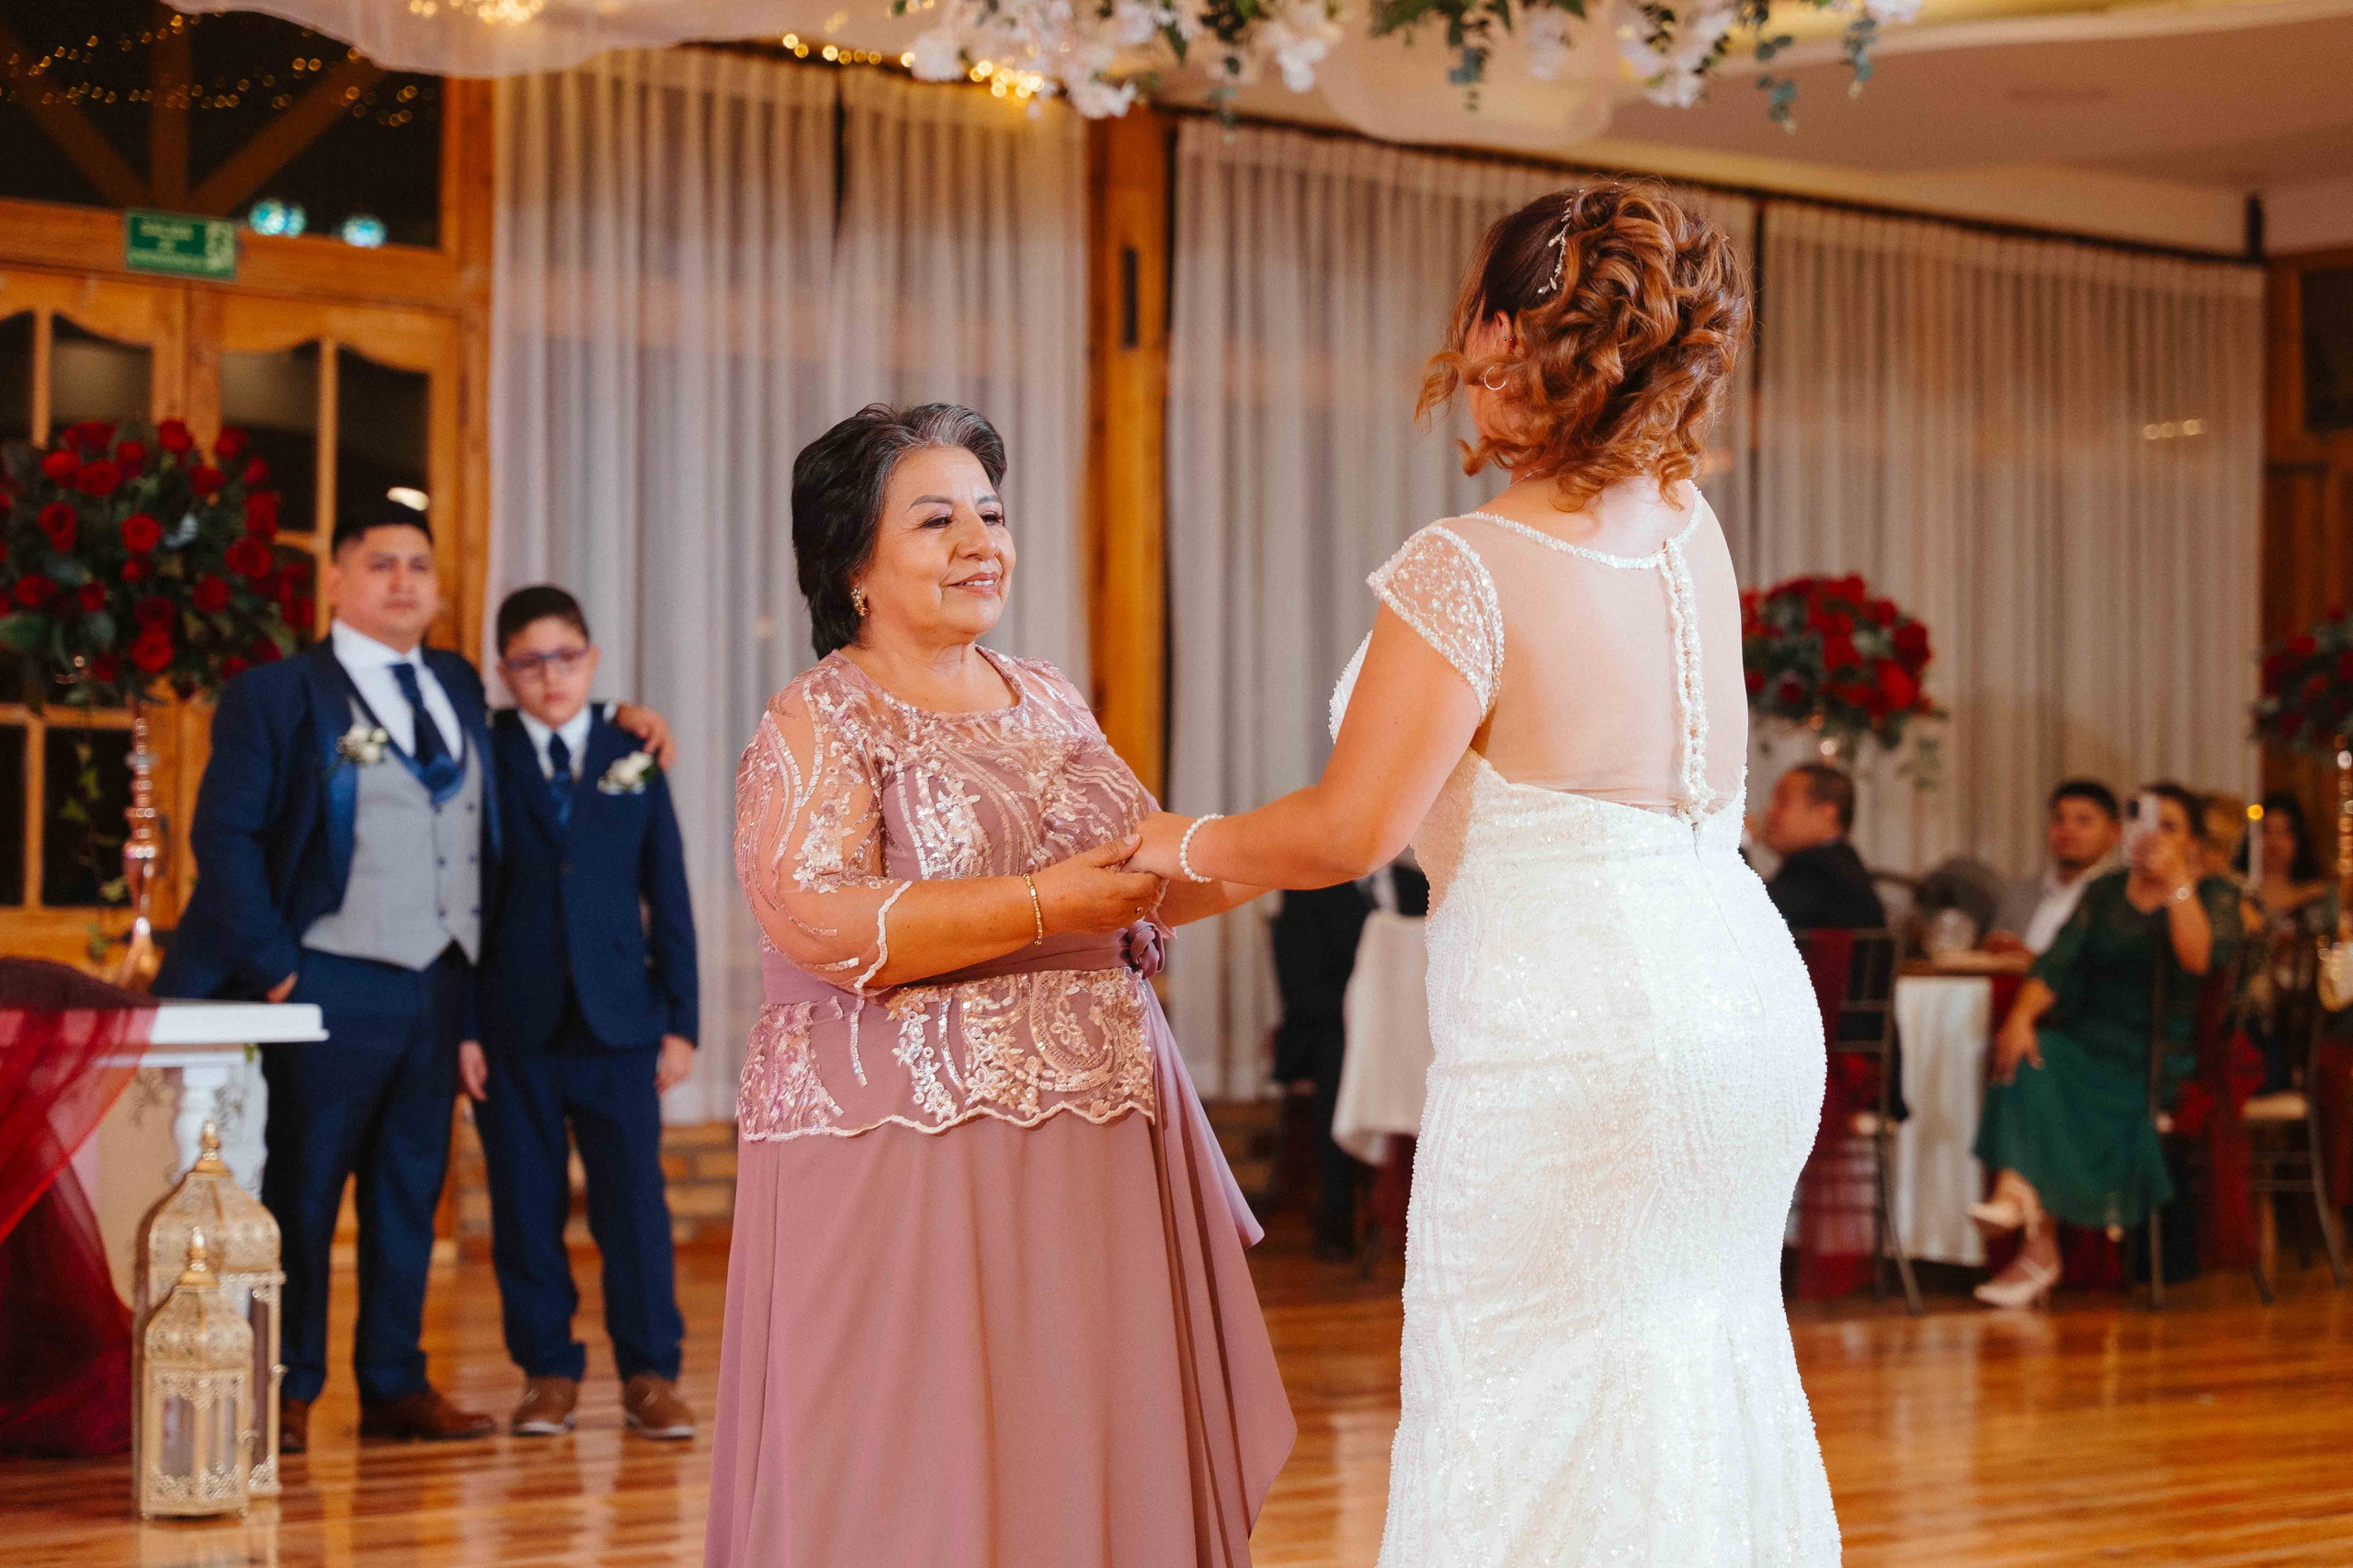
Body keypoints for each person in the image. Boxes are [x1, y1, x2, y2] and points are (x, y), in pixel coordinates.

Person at [1130, 184, 1839, 1563]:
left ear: (1508, 335)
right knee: (1696, 1378)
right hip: (1747, 1006)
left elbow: (1350, 830)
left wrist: (1181, 841)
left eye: (1478, 320)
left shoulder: (1466, 568)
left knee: (1523, 1398)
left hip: (1579, 1032)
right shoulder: (1687, 520)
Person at [704, 404, 1292, 1568]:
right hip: (904, 1143)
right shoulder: (821, 712)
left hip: (1098, 1134)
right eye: (938, 520)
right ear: (853, 564)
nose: (982, 540)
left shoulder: (1050, 693)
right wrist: (1042, 905)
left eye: (991, 512)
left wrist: (1313, 839)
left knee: (1078, 1436)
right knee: (908, 1461)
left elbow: (1139, 877)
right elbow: (812, 915)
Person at [155, 500, 672, 1454]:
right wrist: (277, 969)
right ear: (336, 581)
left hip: (439, 985)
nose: (403, 580)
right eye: (381, 562)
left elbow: (538, 735)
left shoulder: (456, 682)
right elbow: (223, 838)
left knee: (408, 1192)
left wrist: (621, 718)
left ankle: (394, 1384)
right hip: (326, 979)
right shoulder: (278, 694)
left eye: (419, 565)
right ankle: (290, 1386)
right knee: (306, 1191)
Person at [460, 585, 698, 1441]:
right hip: (512, 1023)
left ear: (591, 661)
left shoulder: (630, 748)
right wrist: (464, 1027)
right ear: (504, 673)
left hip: (620, 1021)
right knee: (525, 1208)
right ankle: (547, 1375)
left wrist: (681, 1020)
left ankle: (651, 1374)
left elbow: (667, 889)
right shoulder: (481, 752)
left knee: (632, 1206)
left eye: (565, 657)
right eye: (529, 663)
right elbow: (460, 901)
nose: (550, 676)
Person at [1968, 781, 2242, 1307]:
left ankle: (2032, 1234)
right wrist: (2020, 1017)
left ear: (2192, 842)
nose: (2154, 837)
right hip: (2086, 1040)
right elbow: (2056, 963)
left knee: (2053, 1074)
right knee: (2030, 1053)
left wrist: (2177, 882)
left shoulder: (2214, 894)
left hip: (2155, 1055)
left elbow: (2199, 960)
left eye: (2170, 827)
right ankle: (2018, 1201)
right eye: (2147, 824)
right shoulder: (2107, 891)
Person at [2243, 790, 2335, 1091]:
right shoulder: (2238, 896)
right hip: (2253, 1012)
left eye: (2285, 832)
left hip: (2306, 1012)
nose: (2275, 842)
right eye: (2266, 831)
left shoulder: (2319, 897)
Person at [1987, 779, 2123, 957]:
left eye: (2083, 821)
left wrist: (2033, 963)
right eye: (2059, 819)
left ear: (2115, 832)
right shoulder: (2019, 893)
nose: (2068, 829)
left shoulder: (2124, 895)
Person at [1758, 762, 1887, 931]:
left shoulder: (1818, 866)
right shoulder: (1839, 859)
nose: (1769, 811)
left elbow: (1746, 912)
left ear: (1826, 814)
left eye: (1783, 802)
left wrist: (1733, 845)